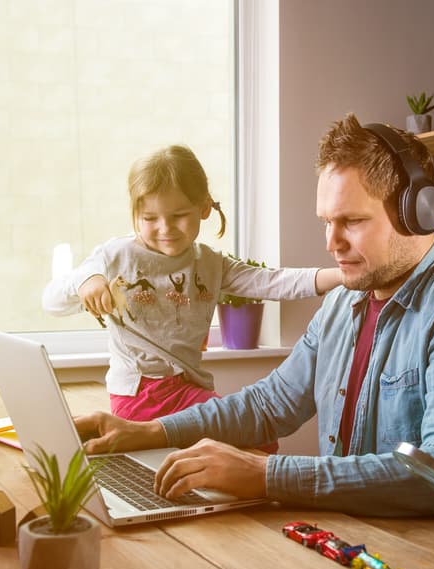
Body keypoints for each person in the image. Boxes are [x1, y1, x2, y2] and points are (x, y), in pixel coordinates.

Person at [74, 114, 434, 517]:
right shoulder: (345, 301)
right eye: (326, 221)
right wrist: (147, 432)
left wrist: (266, 475)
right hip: (347, 537)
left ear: (418, 213)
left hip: (429, 560)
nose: (331, 242)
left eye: (352, 221)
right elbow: (270, 405)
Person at [43, 144, 342, 426]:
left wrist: (341, 276)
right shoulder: (114, 257)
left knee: (255, 437)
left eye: (178, 215)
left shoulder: (210, 263)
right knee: (245, 436)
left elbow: (272, 282)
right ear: (135, 214)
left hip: (188, 387)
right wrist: (86, 280)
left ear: (204, 208)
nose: (165, 228)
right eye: (149, 217)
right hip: (138, 394)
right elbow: (52, 301)